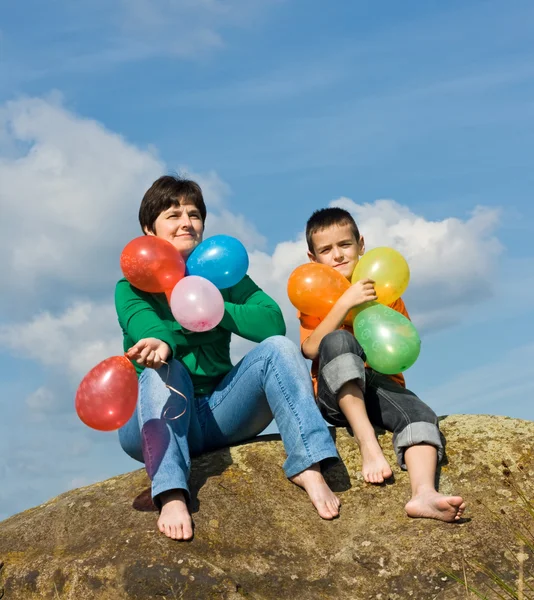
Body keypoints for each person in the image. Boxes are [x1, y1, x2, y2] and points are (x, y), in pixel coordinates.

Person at [115, 176, 341, 541]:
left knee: (279, 350)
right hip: (155, 417)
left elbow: (271, 321)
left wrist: (213, 305)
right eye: (173, 215)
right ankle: (171, 491)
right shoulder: (131, 285)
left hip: (220, 413)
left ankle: (308, 462)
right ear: (149, 229)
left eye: (194, 214)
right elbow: (144, 324)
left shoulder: (221, 272)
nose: (186, 222)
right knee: (162, 369)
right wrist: (163, 340)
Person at [298, 207, 466, 523]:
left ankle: (423, 494)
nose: (337, 255)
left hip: (378, 385)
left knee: (418, 413)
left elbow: (401, 347)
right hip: (335, 395)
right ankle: (367, 443)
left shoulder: (385, 289)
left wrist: (366, 309)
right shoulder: (315, 294)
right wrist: (344, 303)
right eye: (326, 250)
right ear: (313, 257)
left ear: (361, 245)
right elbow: (309, 348)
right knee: (337, 342)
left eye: (344, 245)